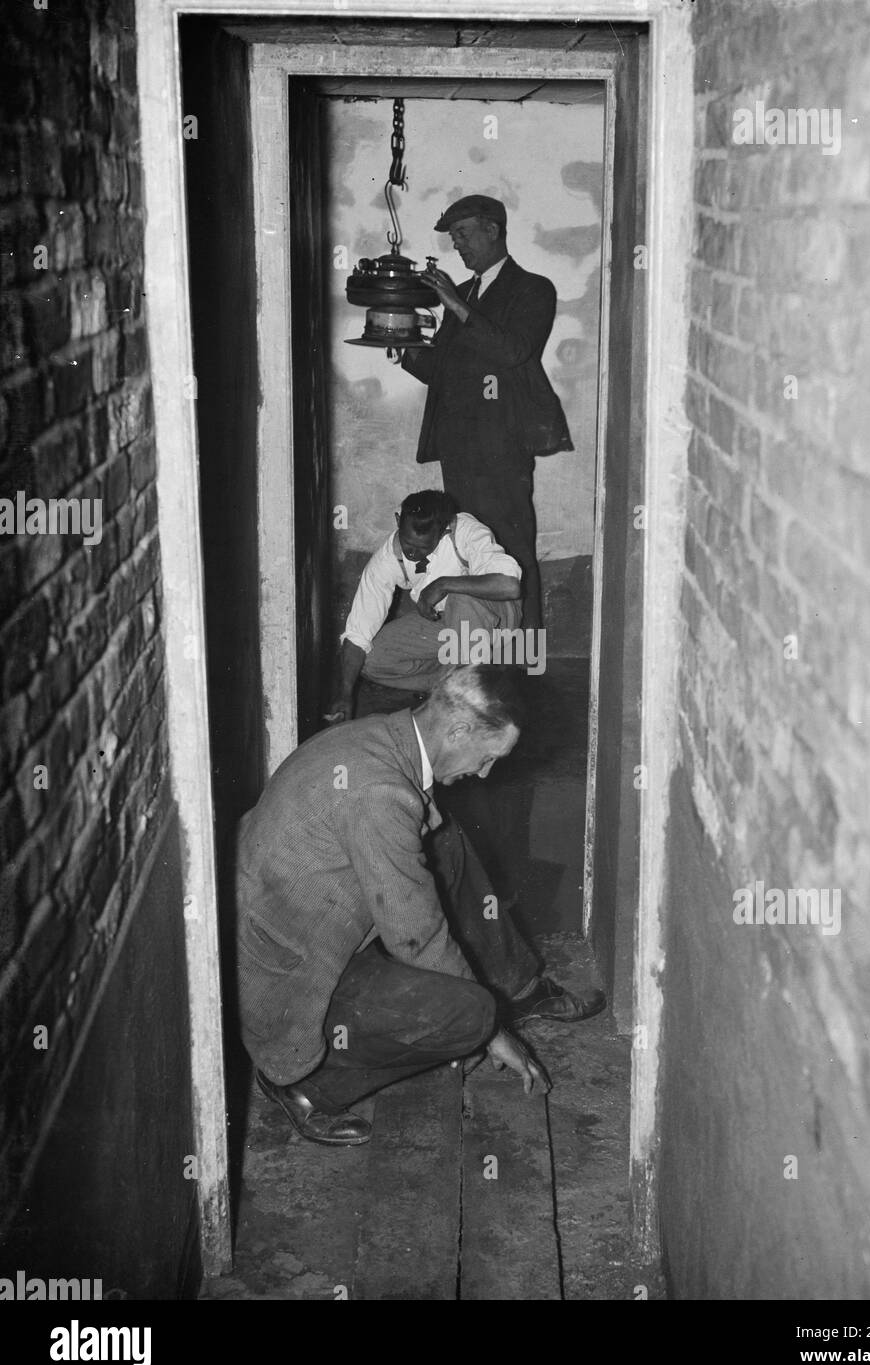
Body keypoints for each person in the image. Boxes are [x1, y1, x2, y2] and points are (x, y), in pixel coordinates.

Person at [236, 665, 605, 1147]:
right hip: (293, 975)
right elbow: (416, 937)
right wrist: (491, 1032)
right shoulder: (380, 792)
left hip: (306, 917)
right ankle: (304, 1086)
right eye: (488, 756)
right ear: (458, 730)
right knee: (469, 1013)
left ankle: (519, 986)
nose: (484, 773)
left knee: (444, 838)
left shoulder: (381, 735)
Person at [400, 194, 573, 630]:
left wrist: (455, 304)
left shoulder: (533, 288)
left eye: (462, 234)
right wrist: (400, 345)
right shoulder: (464, 294)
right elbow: (442, 370)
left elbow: (513, 351)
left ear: (492, 230)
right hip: (459, 445)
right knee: (468, 547)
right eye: (453, 237)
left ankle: (526, 657)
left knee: (513, 547)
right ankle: (483, 651)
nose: (456, 245)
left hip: (502, 445)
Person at [327, 489, 524, 721]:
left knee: (461, 598)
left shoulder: (467, 531)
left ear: (444, 530)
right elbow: (358, 633)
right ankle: (454, 681)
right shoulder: (386, 559)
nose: (412, 553)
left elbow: (510, 586)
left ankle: (468, 702)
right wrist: (345, 693)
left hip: (495, 620)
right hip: (446, 625)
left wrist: (443, 585)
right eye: (407, 542)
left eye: (423, 548)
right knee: (372, 659)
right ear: (399, 521)